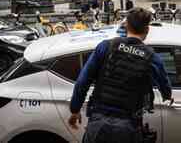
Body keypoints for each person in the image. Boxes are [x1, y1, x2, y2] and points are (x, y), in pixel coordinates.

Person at [68, 8, 172, 143]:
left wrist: (75, 110)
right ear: (147, 30)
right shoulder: (152, 58)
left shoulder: (106, 47)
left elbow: (82, 81)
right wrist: (167, 95)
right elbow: (164, 84)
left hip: (98, 122)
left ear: (126, 26)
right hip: (128, 127)